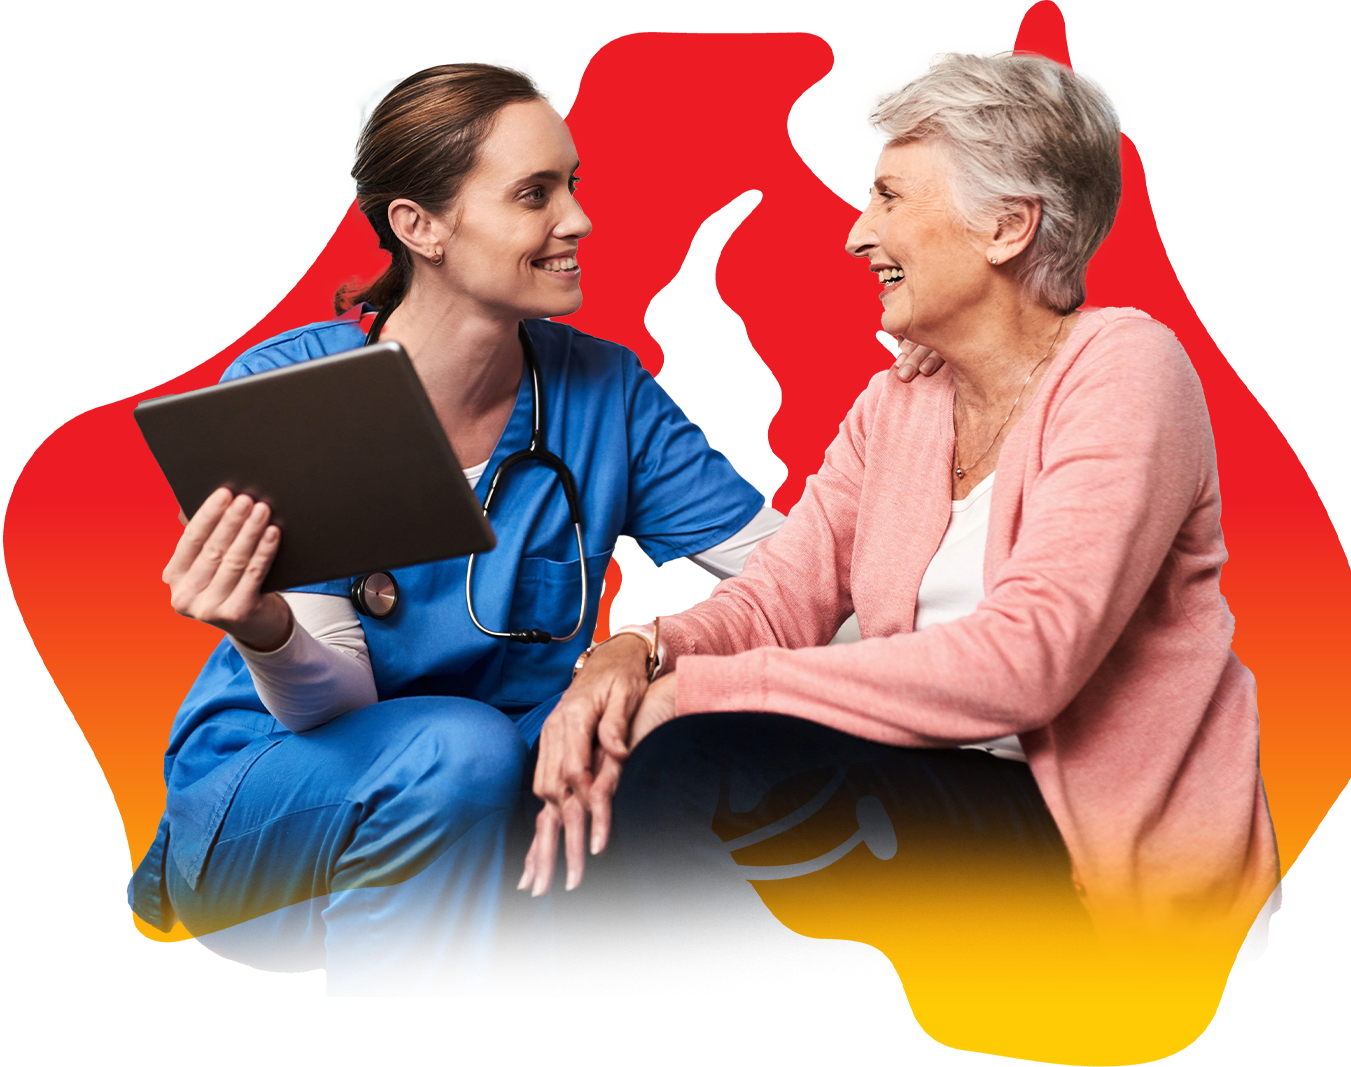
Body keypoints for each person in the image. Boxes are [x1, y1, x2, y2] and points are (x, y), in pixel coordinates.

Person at [526, 52, 1282, 992]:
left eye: (889, 196)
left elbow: (1029, 661)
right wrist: (637, 653)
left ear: (1008, 226)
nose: (856, 234)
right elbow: (774, 602)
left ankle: (785, 1021)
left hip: (1083, 845)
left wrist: (699, 692)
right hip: (919, 789)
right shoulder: (900, 403)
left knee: (684, 767)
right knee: (579, 787)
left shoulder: (1128, 369)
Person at [124, 59, 863, 997]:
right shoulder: (296, 392)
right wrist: (263, 626)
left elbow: (796, 574)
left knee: (615, 760)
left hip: (495, 817)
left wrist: (651, 659)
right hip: (273, 825)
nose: (579, 220)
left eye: (573, 184)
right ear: (419, 226)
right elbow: (330, 703)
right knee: (466, 750)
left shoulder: (608, 395)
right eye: (533, 194)